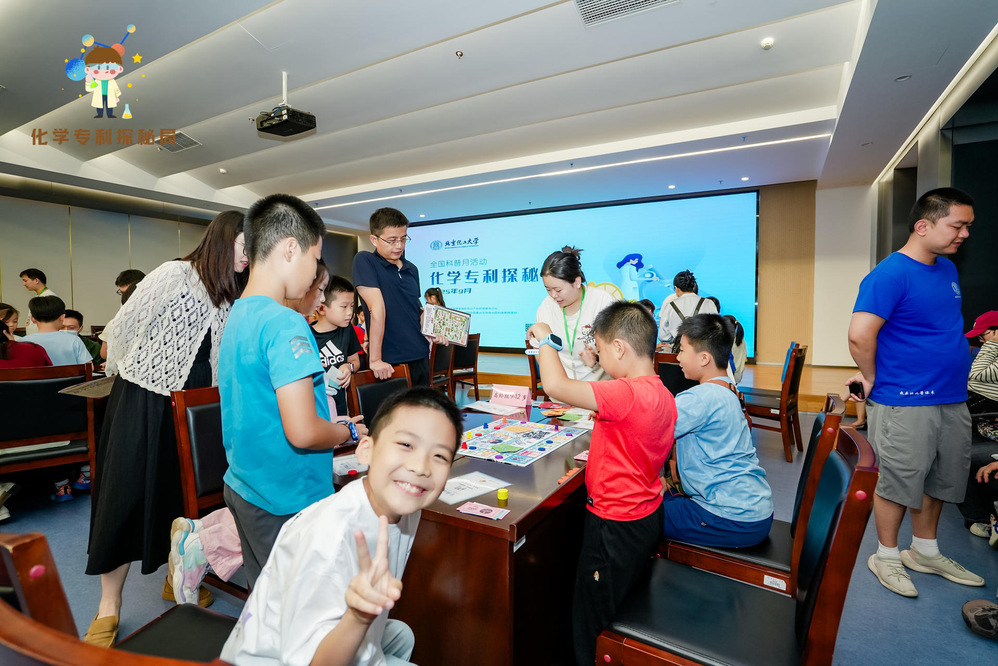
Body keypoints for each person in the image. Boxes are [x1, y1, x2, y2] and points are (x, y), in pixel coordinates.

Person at [83, 210, 249, 647]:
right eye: (244, 246)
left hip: (195, 409)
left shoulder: (231, 294)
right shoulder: (174, 274)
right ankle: (108, 605)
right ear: (223, 239)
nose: (248, 257)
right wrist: (136, 375)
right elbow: (119, 333)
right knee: (124, 498)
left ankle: (177, 576)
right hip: (144, 399)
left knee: (183, 501)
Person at [221, 388, 461, 665]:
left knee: (402, 634)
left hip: (322, 634)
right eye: (406, 444)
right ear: (366, 449)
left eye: (439, 456)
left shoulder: (403, 501)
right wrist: (359, 617)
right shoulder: (330, 539)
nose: (421, 467)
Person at [220, 194, 366, 589]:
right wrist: (347, 431)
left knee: (266, 601)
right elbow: (302, 432)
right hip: (286, 494)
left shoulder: (238, 312)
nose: (316, 271)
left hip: (246, 483)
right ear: (289, 249)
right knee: (301, 606)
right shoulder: (285, 322)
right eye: (315, 258)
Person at [847, 187, 984, 599]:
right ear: (923, 226)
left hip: (950, 396)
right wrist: (869, 377)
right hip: (905, 399)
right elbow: (859, 335)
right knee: (898, 481)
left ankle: (924, 551)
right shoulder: (890, 274)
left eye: (968, 226)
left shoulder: (947, 269)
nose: (964, 234)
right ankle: (886, 555)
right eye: (957, 225)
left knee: (940, 478)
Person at [528, 301, 676, 666]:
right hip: (645, 515)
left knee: (592, 617)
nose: (599, 357)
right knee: (619, 599)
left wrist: (545, 339)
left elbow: (556, 386)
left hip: (613, 524)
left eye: (601, 349)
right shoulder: (662, 392)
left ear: (619, 348)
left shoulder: (625, 393)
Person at [663, 314, 773, 547]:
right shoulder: (729, 389)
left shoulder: (699, 398)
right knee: (664, 500)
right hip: (753, 510)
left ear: (704, 358)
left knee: (639, 514)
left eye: (681, 350)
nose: (677, 357)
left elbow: (649, 430)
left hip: (729, 518)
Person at [353, 207, 445, 386]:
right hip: (389, 362)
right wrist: (375, 359)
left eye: (403, 239)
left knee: (422, 404)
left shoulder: (412, 269)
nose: (399, 246)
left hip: (420, 356)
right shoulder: (365, 261)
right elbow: (376, 309)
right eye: (392, 240)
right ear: (374, 239)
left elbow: (416, 310)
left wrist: (434, 330)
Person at [535, 246, 619, 383]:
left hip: (598, 388)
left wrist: (598, 359)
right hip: (563, 389)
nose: (553, 295)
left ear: (577, 282)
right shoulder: (546, 307)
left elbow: (620, 353)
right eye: (548, 289)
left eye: (558, 290)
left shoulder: (602, 302)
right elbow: (538, 349)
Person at [312, 276, 363, 418]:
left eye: (352, 306)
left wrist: (349, 367)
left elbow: (355, 361)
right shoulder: (307, 335)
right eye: (344, 306)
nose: (350, 312)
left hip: (341, 406)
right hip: (316, 408)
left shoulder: (347, 330)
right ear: (321, 308)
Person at [20, 297, 92, 367]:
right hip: (69, 376)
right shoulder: (74, 340)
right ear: (62, 317)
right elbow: (89, 367)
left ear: (32, 319)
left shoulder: (22, 342)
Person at [658, 270, 718, 348]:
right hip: (703, 349)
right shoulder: (708, 303)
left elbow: (663, 336)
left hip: (680, 350)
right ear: (693, 286)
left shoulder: (670, 306)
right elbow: (716, 330)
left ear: (676, 288)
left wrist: (676, 339)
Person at [966, 310, 998, 414]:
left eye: (982, 335)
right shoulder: (993, 350)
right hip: (978, 399)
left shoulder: (992, 347)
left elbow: (977, 374)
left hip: (986, 403)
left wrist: (992, 343)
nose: (980, 340)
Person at [84, 46, 124, 119]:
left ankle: (110, 114)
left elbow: (116, 89)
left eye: (109, 68)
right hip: (99, 95)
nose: (105, 71)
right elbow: (89, 89)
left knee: (109, 105)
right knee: (99, 105)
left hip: (110, 95)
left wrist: (116, 96)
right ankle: (99, 114)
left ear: (120, 69)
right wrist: (88, 81)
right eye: (98, 68)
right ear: (88, 69)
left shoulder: (112, 81)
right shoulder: (96, 81)